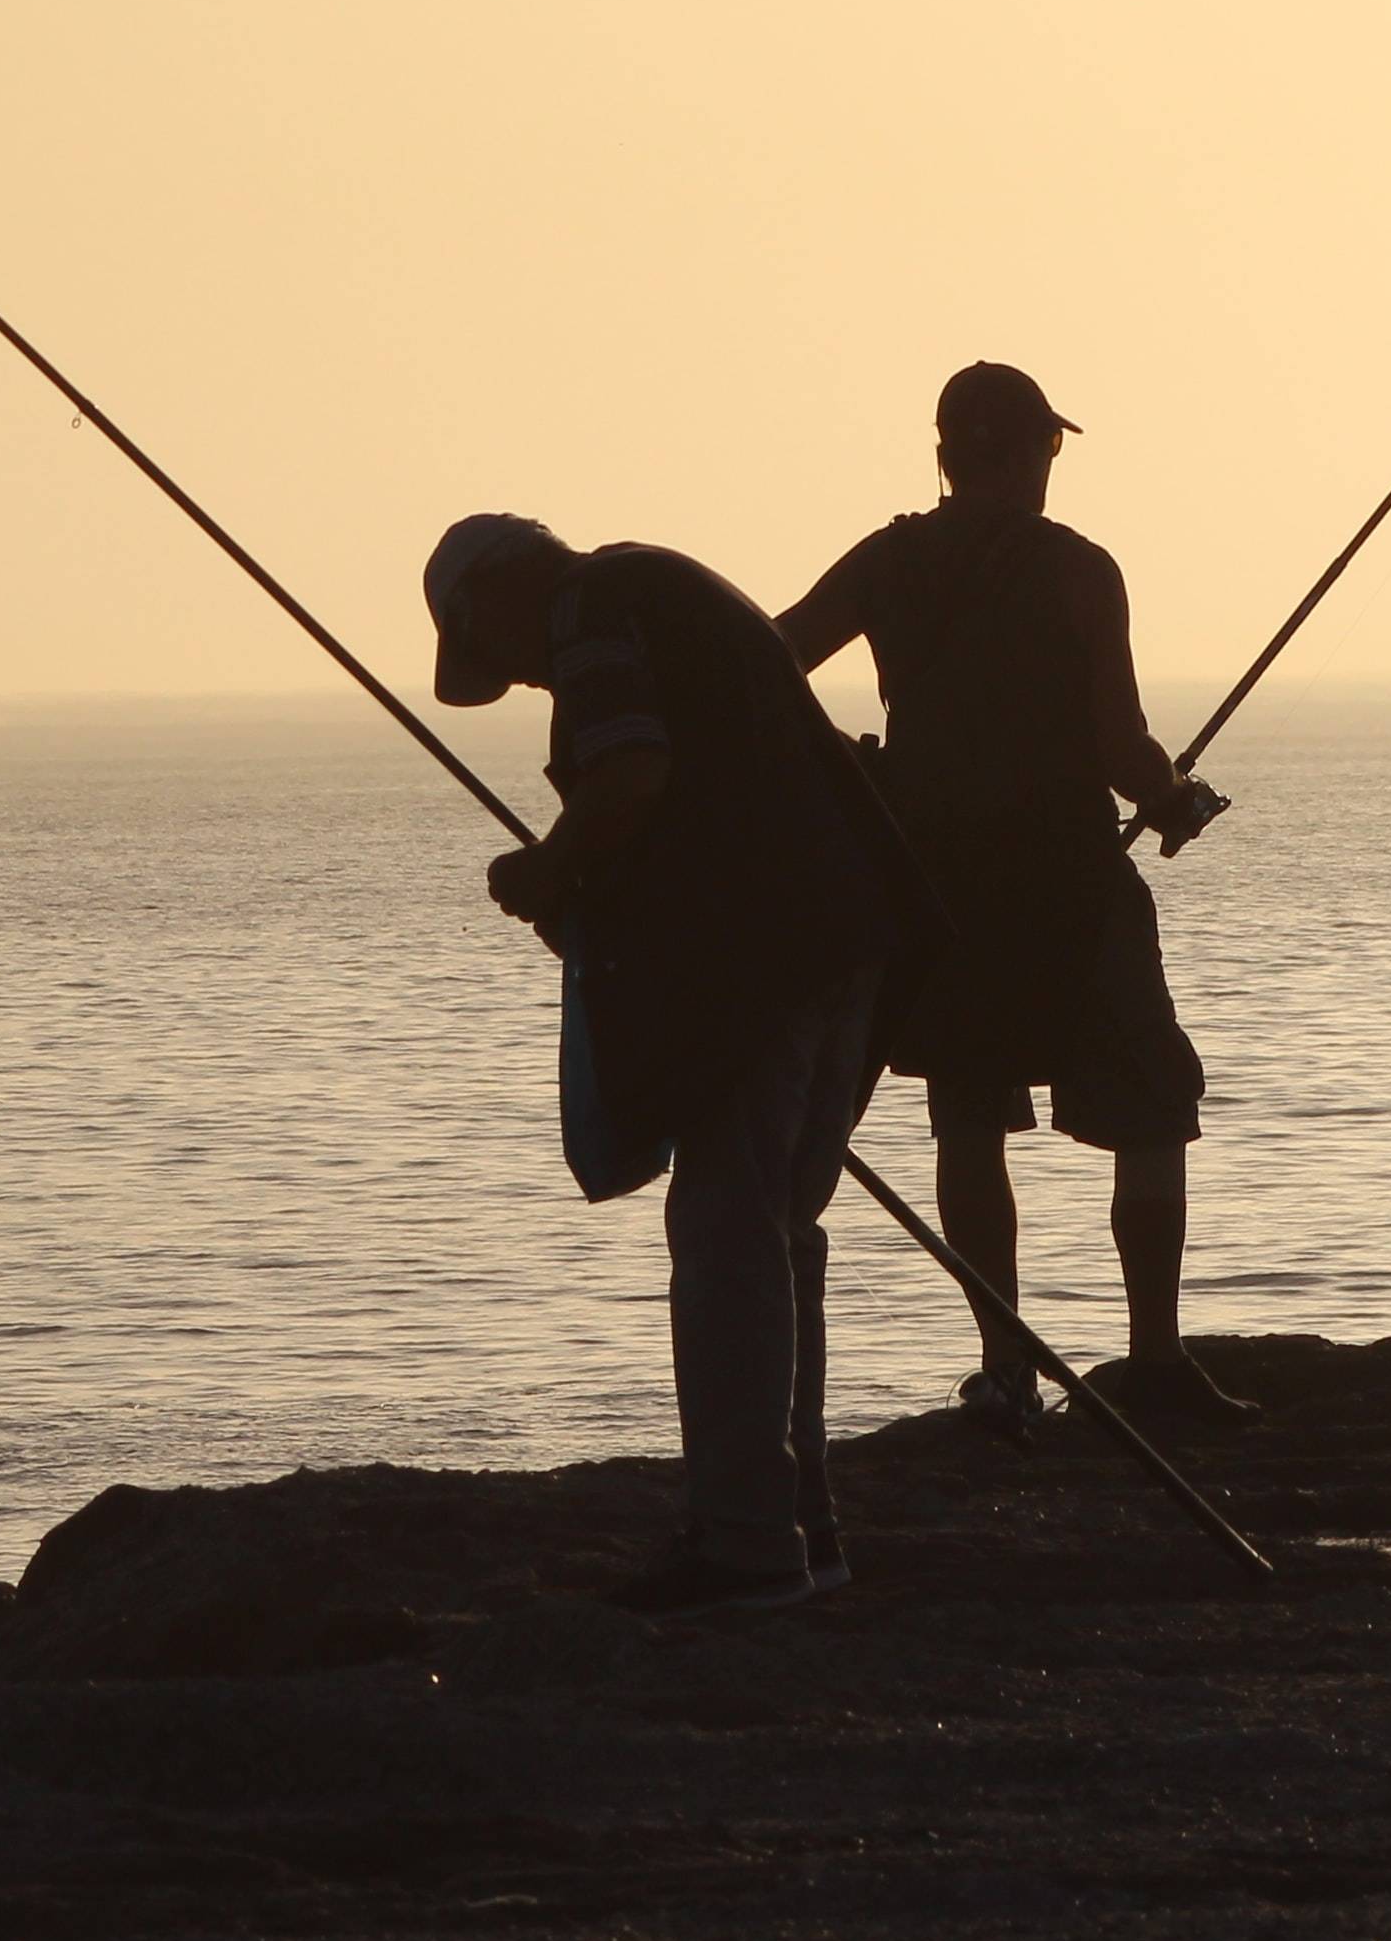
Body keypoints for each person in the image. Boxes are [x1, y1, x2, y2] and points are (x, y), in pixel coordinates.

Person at [428, 510, 916, 1610]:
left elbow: (634, 777)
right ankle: (805, 1529)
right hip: (851, 934)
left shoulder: (590, 609)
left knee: (728, 1235)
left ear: (501, 594)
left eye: (493, 651)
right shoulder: (665, 593)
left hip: (768, 954)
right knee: (782, 1231)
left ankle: (747, 1543)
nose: (519, 678)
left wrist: (551, 872)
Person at [774, 363, 1242, 1433]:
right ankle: (1155, 1361)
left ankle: (1006, 1373)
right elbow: (1121, 745)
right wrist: (1173, 800)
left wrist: (847, 778)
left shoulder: (887, 562)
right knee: (1151, 1107)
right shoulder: (1078, 569)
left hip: (938, 886)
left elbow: (775, 654)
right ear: (1032, 453)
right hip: (1068, 874)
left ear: (945, 456)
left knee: (969, 1117)